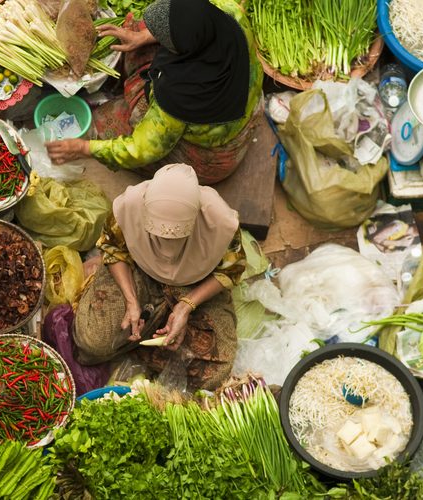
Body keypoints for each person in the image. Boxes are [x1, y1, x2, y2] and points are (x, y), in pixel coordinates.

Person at [46, 0, 263, 185]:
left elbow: (141, 150)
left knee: (103, 124)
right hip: (241, 100)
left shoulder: (181, 95)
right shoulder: (229, 12)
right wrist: (143, 36)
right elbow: (182, 22)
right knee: (138, 26)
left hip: (213, 154)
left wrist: (84, 148)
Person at [73, 163, 248, 390]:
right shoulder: (129, 207)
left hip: (195, 285)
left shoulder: (221, 223)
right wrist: (131, 300)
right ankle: (149, 338)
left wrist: (186, 306)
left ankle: (139, 341)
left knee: (216, 373)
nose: (166, 247)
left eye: (177, 238)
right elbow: (113, 249)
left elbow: (230, 271)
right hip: (139, 272)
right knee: (92, 342)